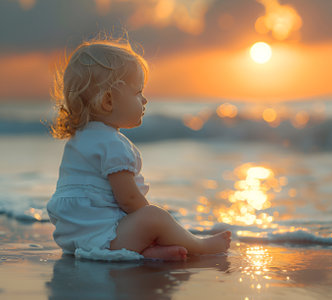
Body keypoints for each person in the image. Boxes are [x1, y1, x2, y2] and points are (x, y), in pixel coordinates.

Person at [46, 38, 231, 261]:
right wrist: (153, 223)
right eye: (137, 92)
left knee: (145, 221)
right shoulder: (112, 143)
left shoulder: (79, 140)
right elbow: (129, 199)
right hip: (106, 238)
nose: (144, 100)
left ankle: (147, 251)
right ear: (108, 101)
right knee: (154, 216)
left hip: (74, 238)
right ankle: (199, 246)